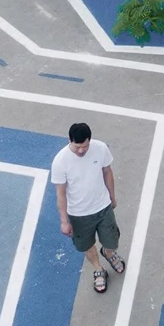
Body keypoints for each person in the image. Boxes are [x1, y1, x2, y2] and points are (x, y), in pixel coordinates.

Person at [52, 121, 122, 295]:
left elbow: (107, 171)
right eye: (78, 147)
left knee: (112, 240)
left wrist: (112, 196)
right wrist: (64, 221)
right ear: (70, 140)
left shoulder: (100, 148)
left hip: (103, 206)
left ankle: (108, 252)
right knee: (86, 245)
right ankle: (98, 269)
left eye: (85, 146)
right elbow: (60, 193)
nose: (82, 150)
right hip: (79, 214)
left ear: (90, 140)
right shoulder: (60, 161)